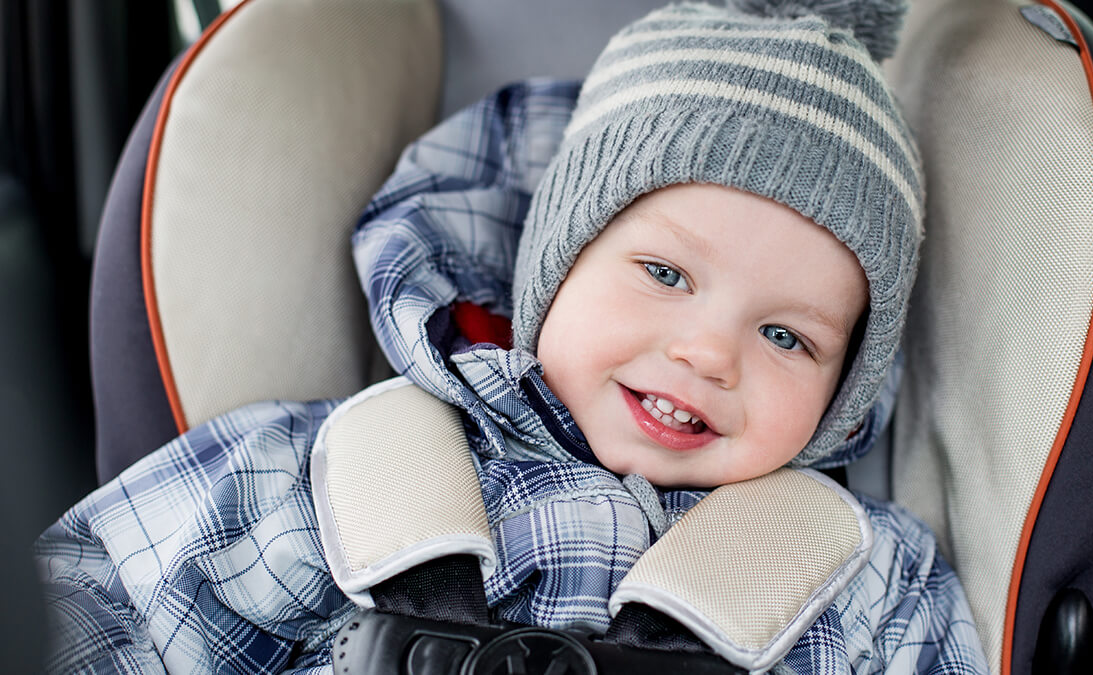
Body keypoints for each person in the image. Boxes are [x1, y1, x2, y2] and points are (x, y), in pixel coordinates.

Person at [34, 1, 987, 672]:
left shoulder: (867, 583)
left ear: (848, 384)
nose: (709, 352)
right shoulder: (319, 472)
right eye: (665, 274)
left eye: (787, 335)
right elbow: (84, 617)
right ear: (552, 265)